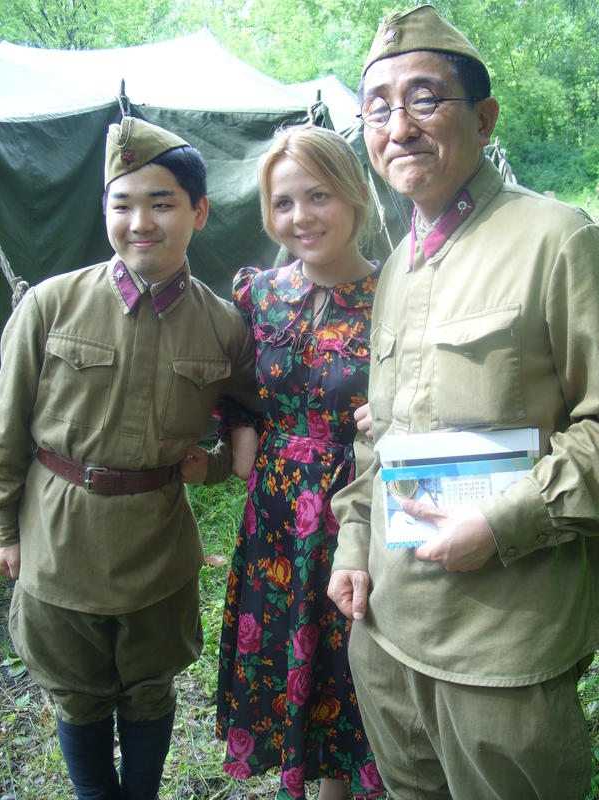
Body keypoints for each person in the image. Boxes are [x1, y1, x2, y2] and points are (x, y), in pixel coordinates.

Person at [327, 5, 599, 799]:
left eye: (425, 98)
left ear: (483, 118)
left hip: (502, 650)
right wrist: (352, 545)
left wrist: (502, 523)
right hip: (387, 636)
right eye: (378, 108)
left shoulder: (556, 239)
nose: (398, 126)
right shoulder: (397, 266)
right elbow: (380, 437)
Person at [0, 115, 258, 800]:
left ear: (199, 211)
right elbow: (5, 428)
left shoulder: (223, 325)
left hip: (157, 546)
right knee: (77, 694)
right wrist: (4, 531)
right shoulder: (51, 305)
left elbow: (255, 409)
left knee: (149, 689)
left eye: (161, 203)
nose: (140, 222)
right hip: (59, 540)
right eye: (122, 204)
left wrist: (220, 463)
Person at [214, 125, 384, 800]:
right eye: (283, 203)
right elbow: (232, 383)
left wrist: (396, 414)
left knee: (348, 656)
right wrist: (239, 432)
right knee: (289, 646)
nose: (301, 217)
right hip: (278, 513)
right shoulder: (258, 295)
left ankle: (345, 786)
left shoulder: (397, 295)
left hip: (358, 505)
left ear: (355, 194)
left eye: (318, 195)